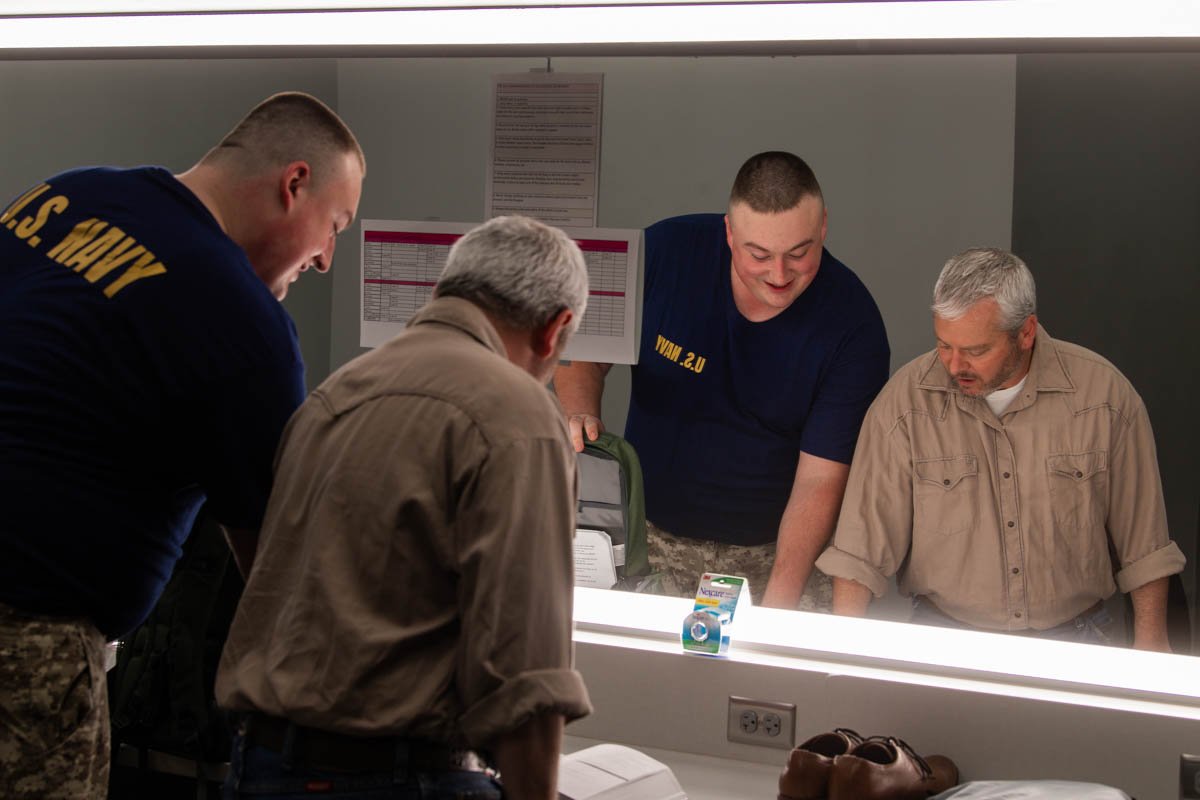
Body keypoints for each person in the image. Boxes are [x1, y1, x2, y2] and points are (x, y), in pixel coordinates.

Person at [0, 91, 365, 798]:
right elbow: (275, 569)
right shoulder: (244, 323)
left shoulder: (64, 196)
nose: (325, 259)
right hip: (26, 648)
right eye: (335, 226)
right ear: (294, 185)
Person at [215, 215, 594, 800]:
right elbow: (525, 677)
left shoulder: (335, 395)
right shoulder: (517, 412)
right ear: (555, 330)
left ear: (445, 291)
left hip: (258, 765)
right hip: (394, 774)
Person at [555, 151, 889, 609]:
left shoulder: (853, 324)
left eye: (799, 253)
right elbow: (583, 347)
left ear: (824, 226)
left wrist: (779, 608)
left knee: (767, 679)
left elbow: (820, 481)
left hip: (772, 552)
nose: (778, 275)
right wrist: (579, 410)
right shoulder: (664, 255)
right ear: (729, 232)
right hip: (648, 539)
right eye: (759, 255)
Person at [817, 248, 1185, 650]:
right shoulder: (903, 407)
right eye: (944, 345)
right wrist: (843, 652)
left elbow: (1145, 546)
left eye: (976, 351)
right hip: (944, 639)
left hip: (1077, 641)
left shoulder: (1104, 398)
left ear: (1025, 333)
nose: (955, 366)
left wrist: (1152, 647)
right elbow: (858, 554)